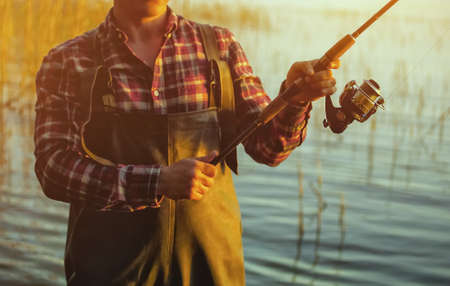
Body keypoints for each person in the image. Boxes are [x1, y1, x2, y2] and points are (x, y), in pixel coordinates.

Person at [34, 0, 338, 285]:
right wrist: (156, 182)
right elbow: (53, 169)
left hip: (213, 267)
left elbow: (269, 148)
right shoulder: (67, 60)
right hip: (111, 271)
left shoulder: (221, 46)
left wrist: (294, 99)